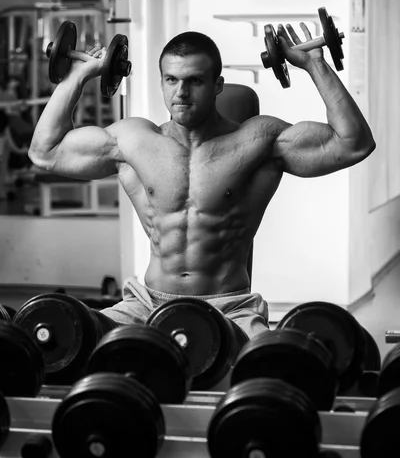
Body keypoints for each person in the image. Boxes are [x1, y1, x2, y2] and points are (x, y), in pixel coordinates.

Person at [28, 23, 376, 338]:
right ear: (162, 82)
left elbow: (353, 143)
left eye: (194, 81)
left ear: (217, 85)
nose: (181, 92)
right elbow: (45, 152)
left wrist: (315, 64)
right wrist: (78, 75)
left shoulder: (259, 140)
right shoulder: (134, 140)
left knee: (274, 364)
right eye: (171, 80)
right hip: (146, 304)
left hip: (230, 307)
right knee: (68, 336)